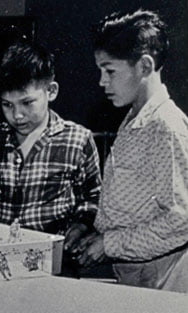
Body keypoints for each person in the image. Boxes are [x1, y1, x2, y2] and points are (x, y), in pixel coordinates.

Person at [0, 41, 102, 276]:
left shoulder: (78, 139)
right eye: (7, 105)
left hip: (55, 265)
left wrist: (81, 226)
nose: (17, 115)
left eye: (27, 102)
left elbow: (93, 198)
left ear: (51, 91)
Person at [76, 10, 188, 292]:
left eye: (110, 70)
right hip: (134, 270)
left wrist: (109, 244)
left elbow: (181, 219)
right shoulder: (134, 118)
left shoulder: (165, 127)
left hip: (162, 276)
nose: (102, 81)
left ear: (145, 66)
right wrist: (98, 237)